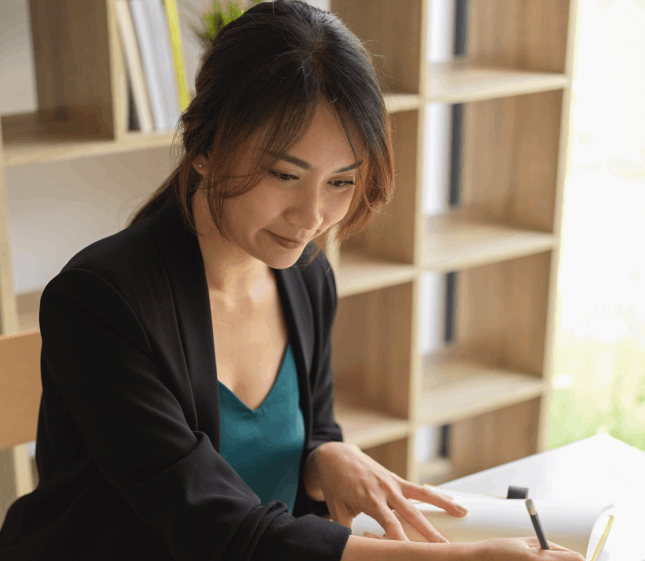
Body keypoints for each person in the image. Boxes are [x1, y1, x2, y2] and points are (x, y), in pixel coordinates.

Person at [0, 1, 584, 560]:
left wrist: (324, 454)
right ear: (204, 147)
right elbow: (214, 529)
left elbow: (310, 424)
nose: (310, 219)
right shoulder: (101, 304)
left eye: (340, 182)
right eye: (285, 174)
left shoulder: (305, 277)